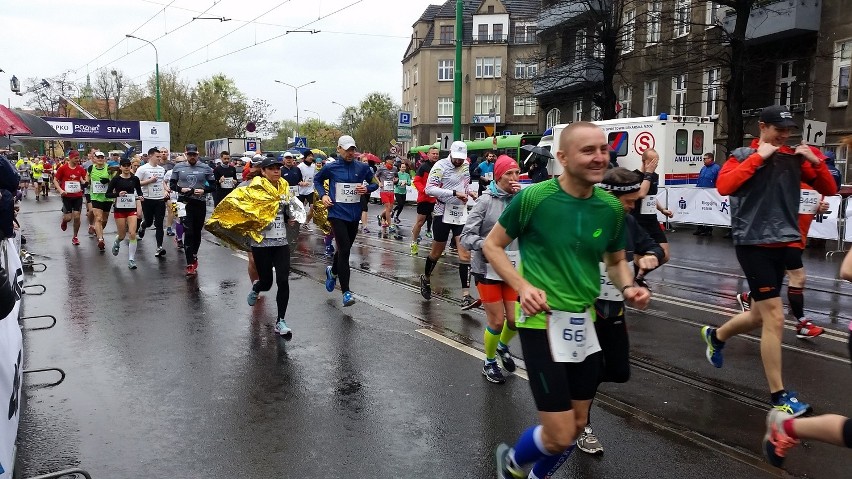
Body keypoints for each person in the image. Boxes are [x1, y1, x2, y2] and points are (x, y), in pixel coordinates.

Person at [486, 122, 650, 479]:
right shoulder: (535, 198)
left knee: (575, 427)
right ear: (562, 157)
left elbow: (616, 260)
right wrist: (522, 286)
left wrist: (629, 287)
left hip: (583, 323)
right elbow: (492, 246)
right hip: (540, 322)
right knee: (559, 432)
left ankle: (530, 473)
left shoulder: (610, 207)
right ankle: (513, 460)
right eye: (588, 150)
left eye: (603, 149)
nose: (599, 158)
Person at [700, 105, 838, 417]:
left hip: (783, 240)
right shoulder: (739, 154)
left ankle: (716, 336)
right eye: (779, 129)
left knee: (760, 316)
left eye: (788, 130)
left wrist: (816, 163)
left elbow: (829, 189)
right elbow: (724, 186)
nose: (785, 136)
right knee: (775, 317)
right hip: (753, 243)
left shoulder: (793, 159)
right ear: (762, 126)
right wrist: (758, 157)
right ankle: (779, 396)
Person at [577, 167, 664, 455]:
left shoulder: (626, 221)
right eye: (629, 201)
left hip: (614, 307)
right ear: (610, 196)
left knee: (618, 371)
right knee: (590, 369)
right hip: (586, 309)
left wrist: (652, 257)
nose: (633, 206)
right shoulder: (585, 219)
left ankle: (576, 386)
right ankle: (582, 425)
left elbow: (654, 246)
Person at [735, 145, 836, 339]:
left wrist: (818, 207)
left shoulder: (814, 184)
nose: (817, 165)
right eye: (813, 161)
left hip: (798, 238)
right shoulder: (790, 179)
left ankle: (749, 297)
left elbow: (826, 192)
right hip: (784, 238)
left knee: (773, 283)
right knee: (798, 277)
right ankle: (802, 323)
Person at [460, 155, 521, 384]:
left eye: (517, 173)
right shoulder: (485, 201)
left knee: (515, 321)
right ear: (498, 176)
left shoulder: (521, 199)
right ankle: (489, 362)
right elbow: (466, 237)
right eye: (509, 174)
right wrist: (487, 245)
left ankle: (503, 346)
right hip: (487, 269)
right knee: (496, 321)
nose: (514, 178)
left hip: (513, 267)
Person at [314, 135, 378, 306]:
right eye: (347, 149)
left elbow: (375, 183)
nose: (351, 153)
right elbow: (317, 180)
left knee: (345, 248)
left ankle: (332, 272)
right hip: (337, 213)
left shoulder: (362, 167)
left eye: (352, 149)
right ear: (339, 149)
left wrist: (366, 188)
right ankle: (346, 292)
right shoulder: (331, 167)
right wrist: (324, 195)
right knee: (345, 251)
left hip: (354, 214)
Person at [420, 141, 480, 310]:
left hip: (460, 213)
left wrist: (470, 193)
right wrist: (454, 193)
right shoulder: (440, 166)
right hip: (442, 211)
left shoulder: (466, 165)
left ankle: (466, 296)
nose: (459, 162)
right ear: (451, 154)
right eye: (457, 158)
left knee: (465, 254)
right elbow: (429, 189)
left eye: (462, 159)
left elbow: (465, 186)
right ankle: (426, 278)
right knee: (436, 253)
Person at [241, 155, 296, 339]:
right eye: (271, 168)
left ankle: (281, 320)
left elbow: (289, 209)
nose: (276, 171)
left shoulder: (285, 187)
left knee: (283, 279)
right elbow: (246, 211)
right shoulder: (254, 188)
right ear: (263, 171)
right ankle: (257, 287)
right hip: (261, 242)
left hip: (281, 241)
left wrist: (291, 216)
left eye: (278, 168)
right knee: (267, 282)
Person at [169, 144, 215, 276]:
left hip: (199, 202)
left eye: (194, 154)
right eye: (190, 155)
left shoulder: (205, 168)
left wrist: (204, 190)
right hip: (183, 202)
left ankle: (194, 254)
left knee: (196, 232)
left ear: (198, 154)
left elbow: (213, 186)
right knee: (188, 231)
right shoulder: (178, 167)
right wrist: (180, 189)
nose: (192, 157)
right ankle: (189, 263)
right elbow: (172, 184)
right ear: (186, 155)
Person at [632, 148, 673, 263]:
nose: (654, 165)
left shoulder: (654, 176)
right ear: (644, 161)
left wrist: (662, 210)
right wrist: (648, 174)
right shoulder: (634, 176)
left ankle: (639, 276)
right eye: (652, 162)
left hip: (651, 220)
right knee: (640, 255)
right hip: (638, 220)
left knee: (664, 255)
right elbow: (642, 194)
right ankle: (635, 277)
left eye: (656, 162)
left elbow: (651, 197)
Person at [106, 158, 143, 269]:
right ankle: (117, 242)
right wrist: (118, 194)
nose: (126, 167)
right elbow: (107, 194)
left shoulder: (135, 179)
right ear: (120, 167)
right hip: (120, 209)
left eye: (128, 165)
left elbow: (139, 192)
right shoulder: (116, 179)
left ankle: (131, 259)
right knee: (122, 235)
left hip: (131, 208)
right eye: (124, 165)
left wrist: (140, 197)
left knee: (132, 233)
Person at [136, 147, 169, 257]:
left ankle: (159, 247)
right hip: (147, 199)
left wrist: (165, 190)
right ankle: (143, 225)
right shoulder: (142, 169)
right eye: (157, 157)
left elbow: (161, 182)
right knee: (149, 222)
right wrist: (149, 181)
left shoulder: (161, 169)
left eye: (160, 157)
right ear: (150, 156)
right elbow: (136, 183)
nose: (159, 159)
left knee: (159, 224)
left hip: (159, 199)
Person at [54, 150, 88, 245]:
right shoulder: (63, 168)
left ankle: (75, 236)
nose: (78, 160)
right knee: (68, 218)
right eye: (75, 158)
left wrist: (85, 183)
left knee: (77, 217)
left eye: (78, 158)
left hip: (78, 196)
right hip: (67, 196)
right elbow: (55, 180)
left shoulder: (80, 169)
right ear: (70, 158)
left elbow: (83, 179)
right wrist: (61, 190)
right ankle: (64, 221)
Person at [410, 146, 438, 255]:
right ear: (429, 154)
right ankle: (414, 242)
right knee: (420, 222)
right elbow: (416, 181)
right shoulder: (423, 167)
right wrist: (424, 190)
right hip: (424, 199)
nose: (435, 155)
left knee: (437, 223)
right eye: (433, 153)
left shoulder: (439, 166)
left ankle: (437, 247)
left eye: (437, 154)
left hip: (436, 199)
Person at [87, 150, 115, 252]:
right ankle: (100, 239)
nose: (100, 159)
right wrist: (86, 183)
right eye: (98, 157)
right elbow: (87, 179)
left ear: (104, 159)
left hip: (107, 197)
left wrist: (109, 180)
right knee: (98, 218)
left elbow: (115, 179)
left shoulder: (109, 168)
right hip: (95, 197)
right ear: (94, 159)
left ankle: (98, 231)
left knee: (104, 219)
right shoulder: (91, 168)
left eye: (102, 157)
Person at [694, 152, 721, 236]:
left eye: (705, 159)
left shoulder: (716, 168)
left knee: (708, 210)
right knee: (699, 210)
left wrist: (716, 191)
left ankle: (708, 229)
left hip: (710, 193)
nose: (704, 160)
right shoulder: (703, 168)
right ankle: (700, 228)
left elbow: (718, 180)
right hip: (701, 192)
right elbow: (700, 178)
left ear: (710, 159)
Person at [375, 154, 398, 239]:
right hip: (383, 191)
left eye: (392, 164)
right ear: (385, 162)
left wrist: (396, 180)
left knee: (390, 209)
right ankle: (390, 225)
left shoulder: (395, 168)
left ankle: (380, 216)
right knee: (388, 207)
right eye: (389, 164)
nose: (391, 165)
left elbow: (396, 177)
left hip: (391, 190)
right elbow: (375, 176)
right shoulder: (381, 168)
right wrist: (379, 183)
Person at [297, 150, 317, 230]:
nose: (311, 157)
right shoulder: (300, 167)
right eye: (309, 156)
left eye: (312, 156)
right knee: (299, 209)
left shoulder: (313, 166)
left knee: (313, 207)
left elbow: (315, 176)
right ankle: (297, 225)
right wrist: (301, 183)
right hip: (301, 190)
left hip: (310, 189)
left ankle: (306, 223)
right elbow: (297, 178)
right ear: (305, 157)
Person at [392, 161, 412, 227]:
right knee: (400, 203)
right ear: (399, 168)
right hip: (397, 191)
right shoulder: (397, 174)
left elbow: (409, 183)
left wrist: (406, 183)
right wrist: (399, 183)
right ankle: (393, 210)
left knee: (402, 205)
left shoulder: (407, 175)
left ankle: (396, 216)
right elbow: (394, 182)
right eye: (402, 167)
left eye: (404, 167)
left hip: (403, 192)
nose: (403, 168)